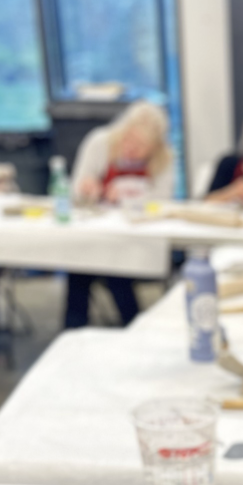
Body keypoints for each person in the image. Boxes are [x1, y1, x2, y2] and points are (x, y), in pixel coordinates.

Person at [64, 101, 174, 329]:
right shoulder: (99, 142)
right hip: (93, 232)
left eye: (141, 145)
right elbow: (76, 190)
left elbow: (163, 201)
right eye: (128, 139)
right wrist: (89, 189)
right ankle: (73, 329)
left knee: (115, 264)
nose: (131, 148)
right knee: (78, 264)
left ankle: (132, 327)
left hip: (134, 237)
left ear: (155, 147)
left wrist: (128, 194)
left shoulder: (165, 158)